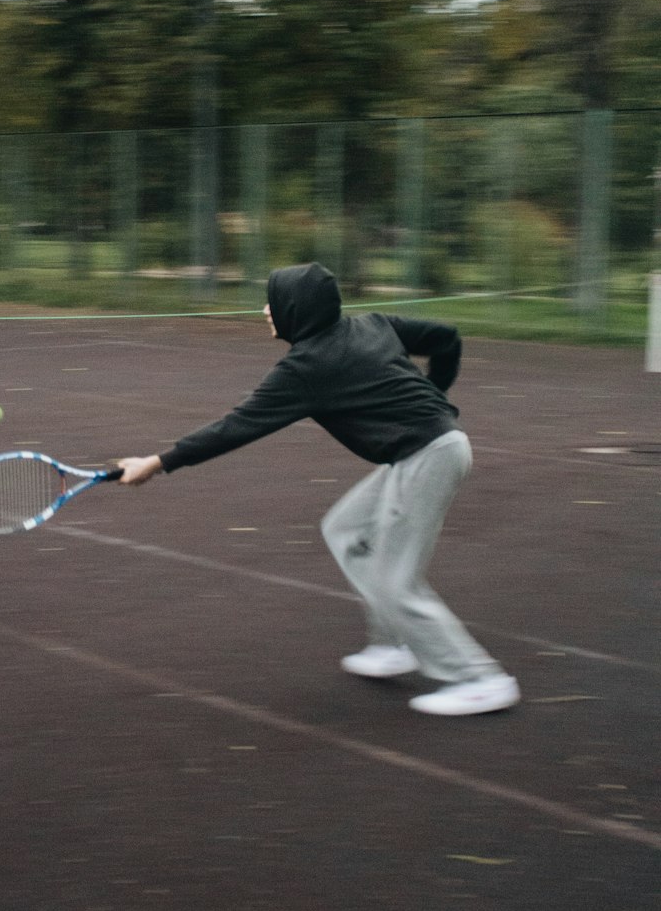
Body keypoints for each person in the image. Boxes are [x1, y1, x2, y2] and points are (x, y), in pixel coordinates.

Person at [117, 262, 520, 717]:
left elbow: (236, 427)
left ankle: (479, 678)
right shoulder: (373, 325)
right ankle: (394, 644)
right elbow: (446, 338)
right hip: (429, 448)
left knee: (395, 578)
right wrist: (437, 400)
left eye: (274, 301)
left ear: (295, 310)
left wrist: (157, 463)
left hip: (428, 457)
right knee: (346, 528)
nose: (266, 310)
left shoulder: (308, 367)